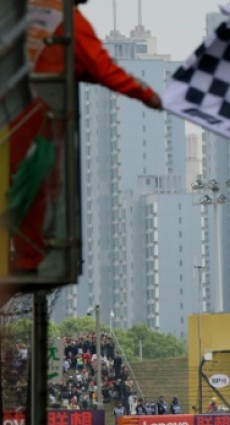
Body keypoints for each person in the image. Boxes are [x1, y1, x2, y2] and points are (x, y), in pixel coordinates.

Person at [7, 0, 163, 275]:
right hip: (34, 116)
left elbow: (73, 63)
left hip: (15, 114)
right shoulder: (69, 20)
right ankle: (27, 259)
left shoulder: (27, 9)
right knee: (35, 187)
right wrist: (147, 95)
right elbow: (102, 68)